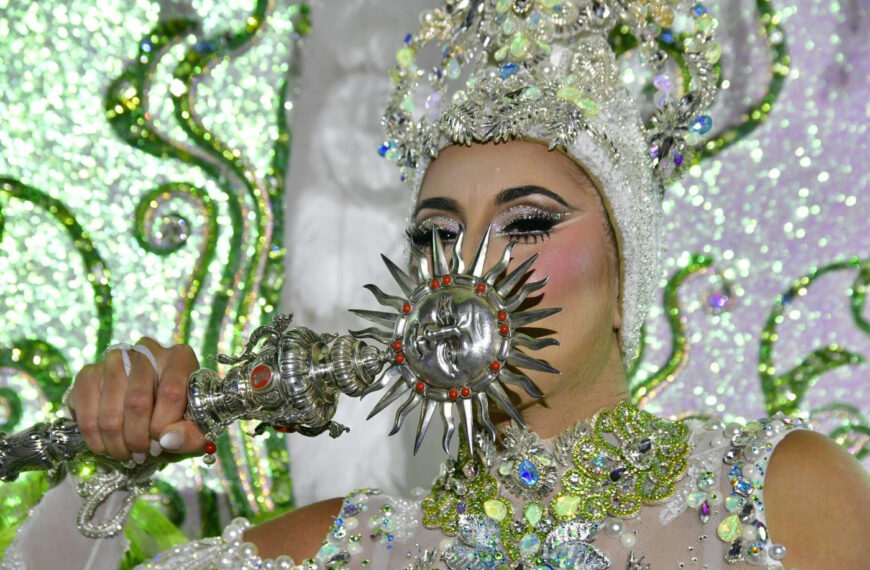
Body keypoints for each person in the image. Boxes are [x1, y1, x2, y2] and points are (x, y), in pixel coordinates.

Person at [4, 0, 870, 568]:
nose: (475, 266)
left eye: (528, 223)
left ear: (625, 260)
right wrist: (106, 467)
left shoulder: (779, 492)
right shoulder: (350, 549)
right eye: (438, 234)